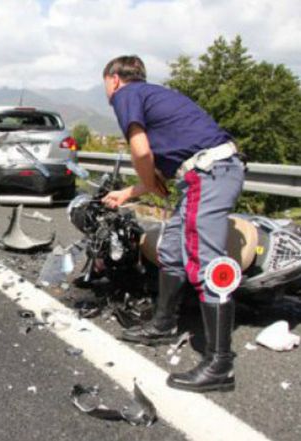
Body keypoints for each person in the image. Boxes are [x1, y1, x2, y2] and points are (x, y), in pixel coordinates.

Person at [101, 56, 245, 393]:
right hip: (205, 173)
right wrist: (130, 191)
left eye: (105, 83)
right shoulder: (154, 96)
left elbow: (141, 152)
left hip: (208, 175)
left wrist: (146, 180)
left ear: (114, 79)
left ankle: (220, 364)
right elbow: (158, 171)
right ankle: (163, 324)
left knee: (204, 262)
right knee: (171, 249)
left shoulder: (126, 95)